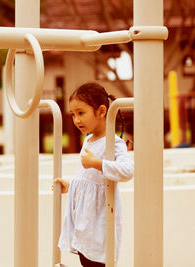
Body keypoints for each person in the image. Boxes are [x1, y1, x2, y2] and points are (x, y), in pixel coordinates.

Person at [54, 82, 134, 267]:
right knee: (85, 259)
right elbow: (88, 179)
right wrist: (71, 183)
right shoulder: (89, 140)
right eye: (73, 114)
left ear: (101, 111)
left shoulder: (114, 143)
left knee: (97, 262)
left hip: (100, 221)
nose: (76, 120)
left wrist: (98, 164)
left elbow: (128, 171)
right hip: (84, 220)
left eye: (81, 113)